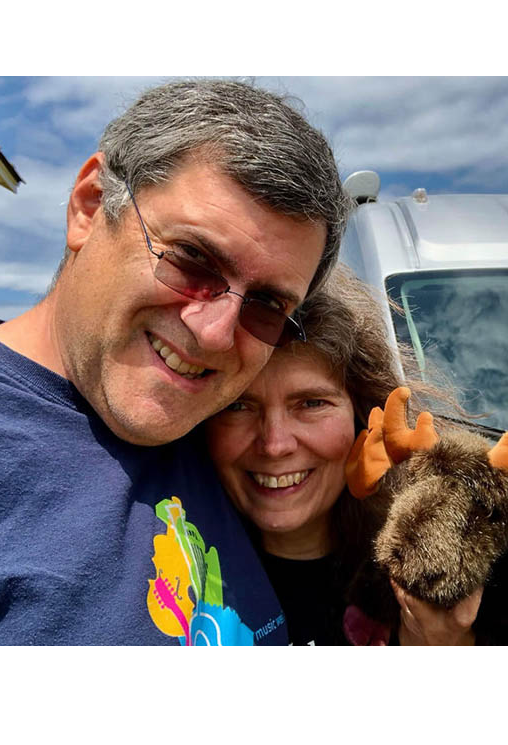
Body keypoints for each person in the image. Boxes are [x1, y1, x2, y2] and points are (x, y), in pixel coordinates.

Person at [0, 79, 351, 645]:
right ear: (90, 205)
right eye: (192, 260)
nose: (216, 333)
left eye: (267, 305)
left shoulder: (219, 434)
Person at [205, 265, 483, 645]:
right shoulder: (167, 565)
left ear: (365, 418)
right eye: (238, 406)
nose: (274, 444)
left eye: (311, 403)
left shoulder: (443, 579)